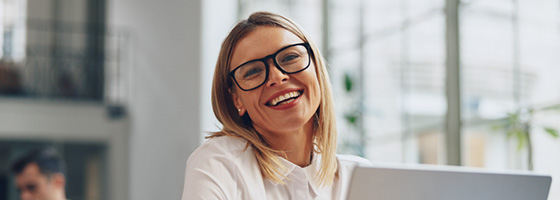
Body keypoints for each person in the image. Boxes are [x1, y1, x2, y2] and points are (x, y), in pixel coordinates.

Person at [182, 11, 371, 199]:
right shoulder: (219, 163)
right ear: (236, 99)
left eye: (289, 58)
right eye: (253, 71)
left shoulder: (359, 177)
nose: (277, 77)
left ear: (316, 68)